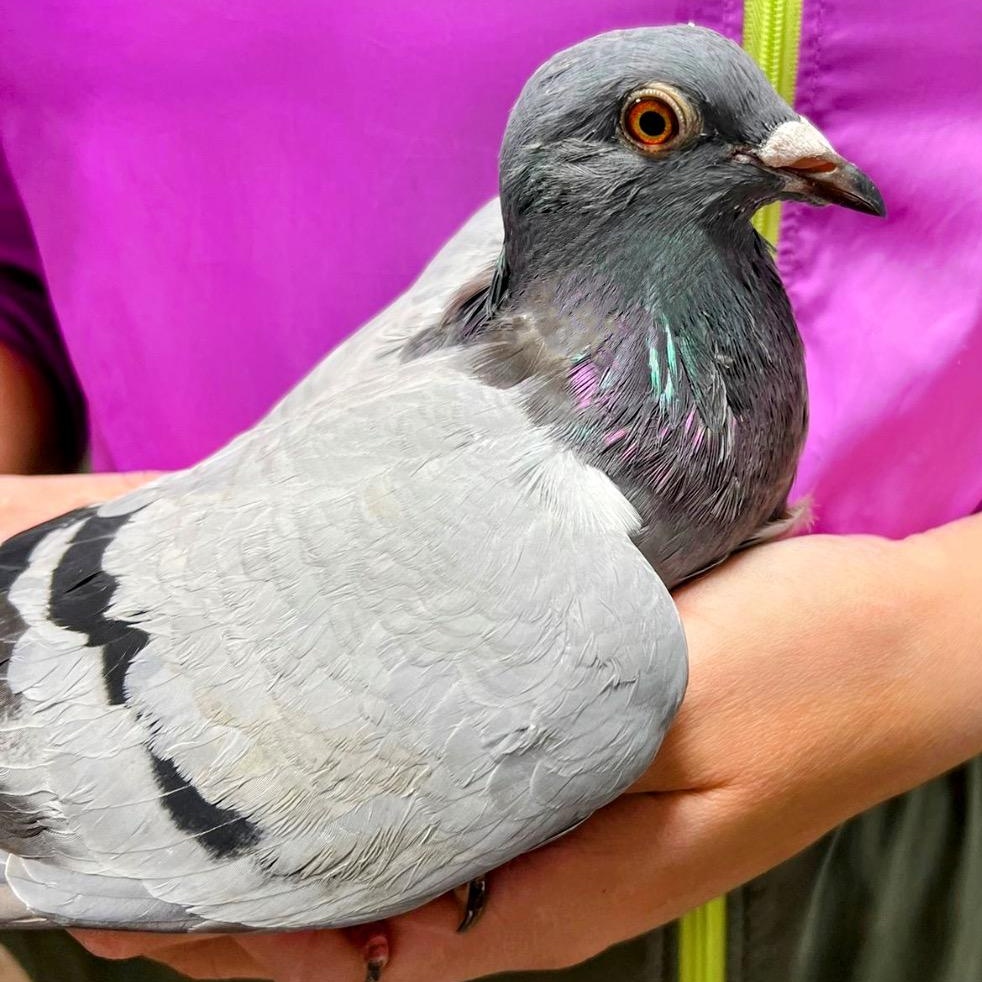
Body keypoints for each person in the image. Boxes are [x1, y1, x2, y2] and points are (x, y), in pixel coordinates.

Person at [0, 2, 980, 981]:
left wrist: (927, 645)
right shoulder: (523, 511)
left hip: (910, 788)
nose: (803, 149)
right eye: (655, 124)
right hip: (182, 694)